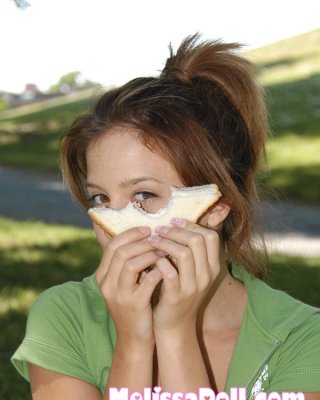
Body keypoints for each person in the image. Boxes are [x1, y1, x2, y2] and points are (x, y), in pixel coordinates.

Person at [11, 34, 320, 399]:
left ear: (216, 206)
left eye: (145, 195)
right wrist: (134, 340)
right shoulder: (65, 316)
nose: (114, 227)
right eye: (102, 198)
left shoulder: (302, 337)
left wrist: (176, 333)